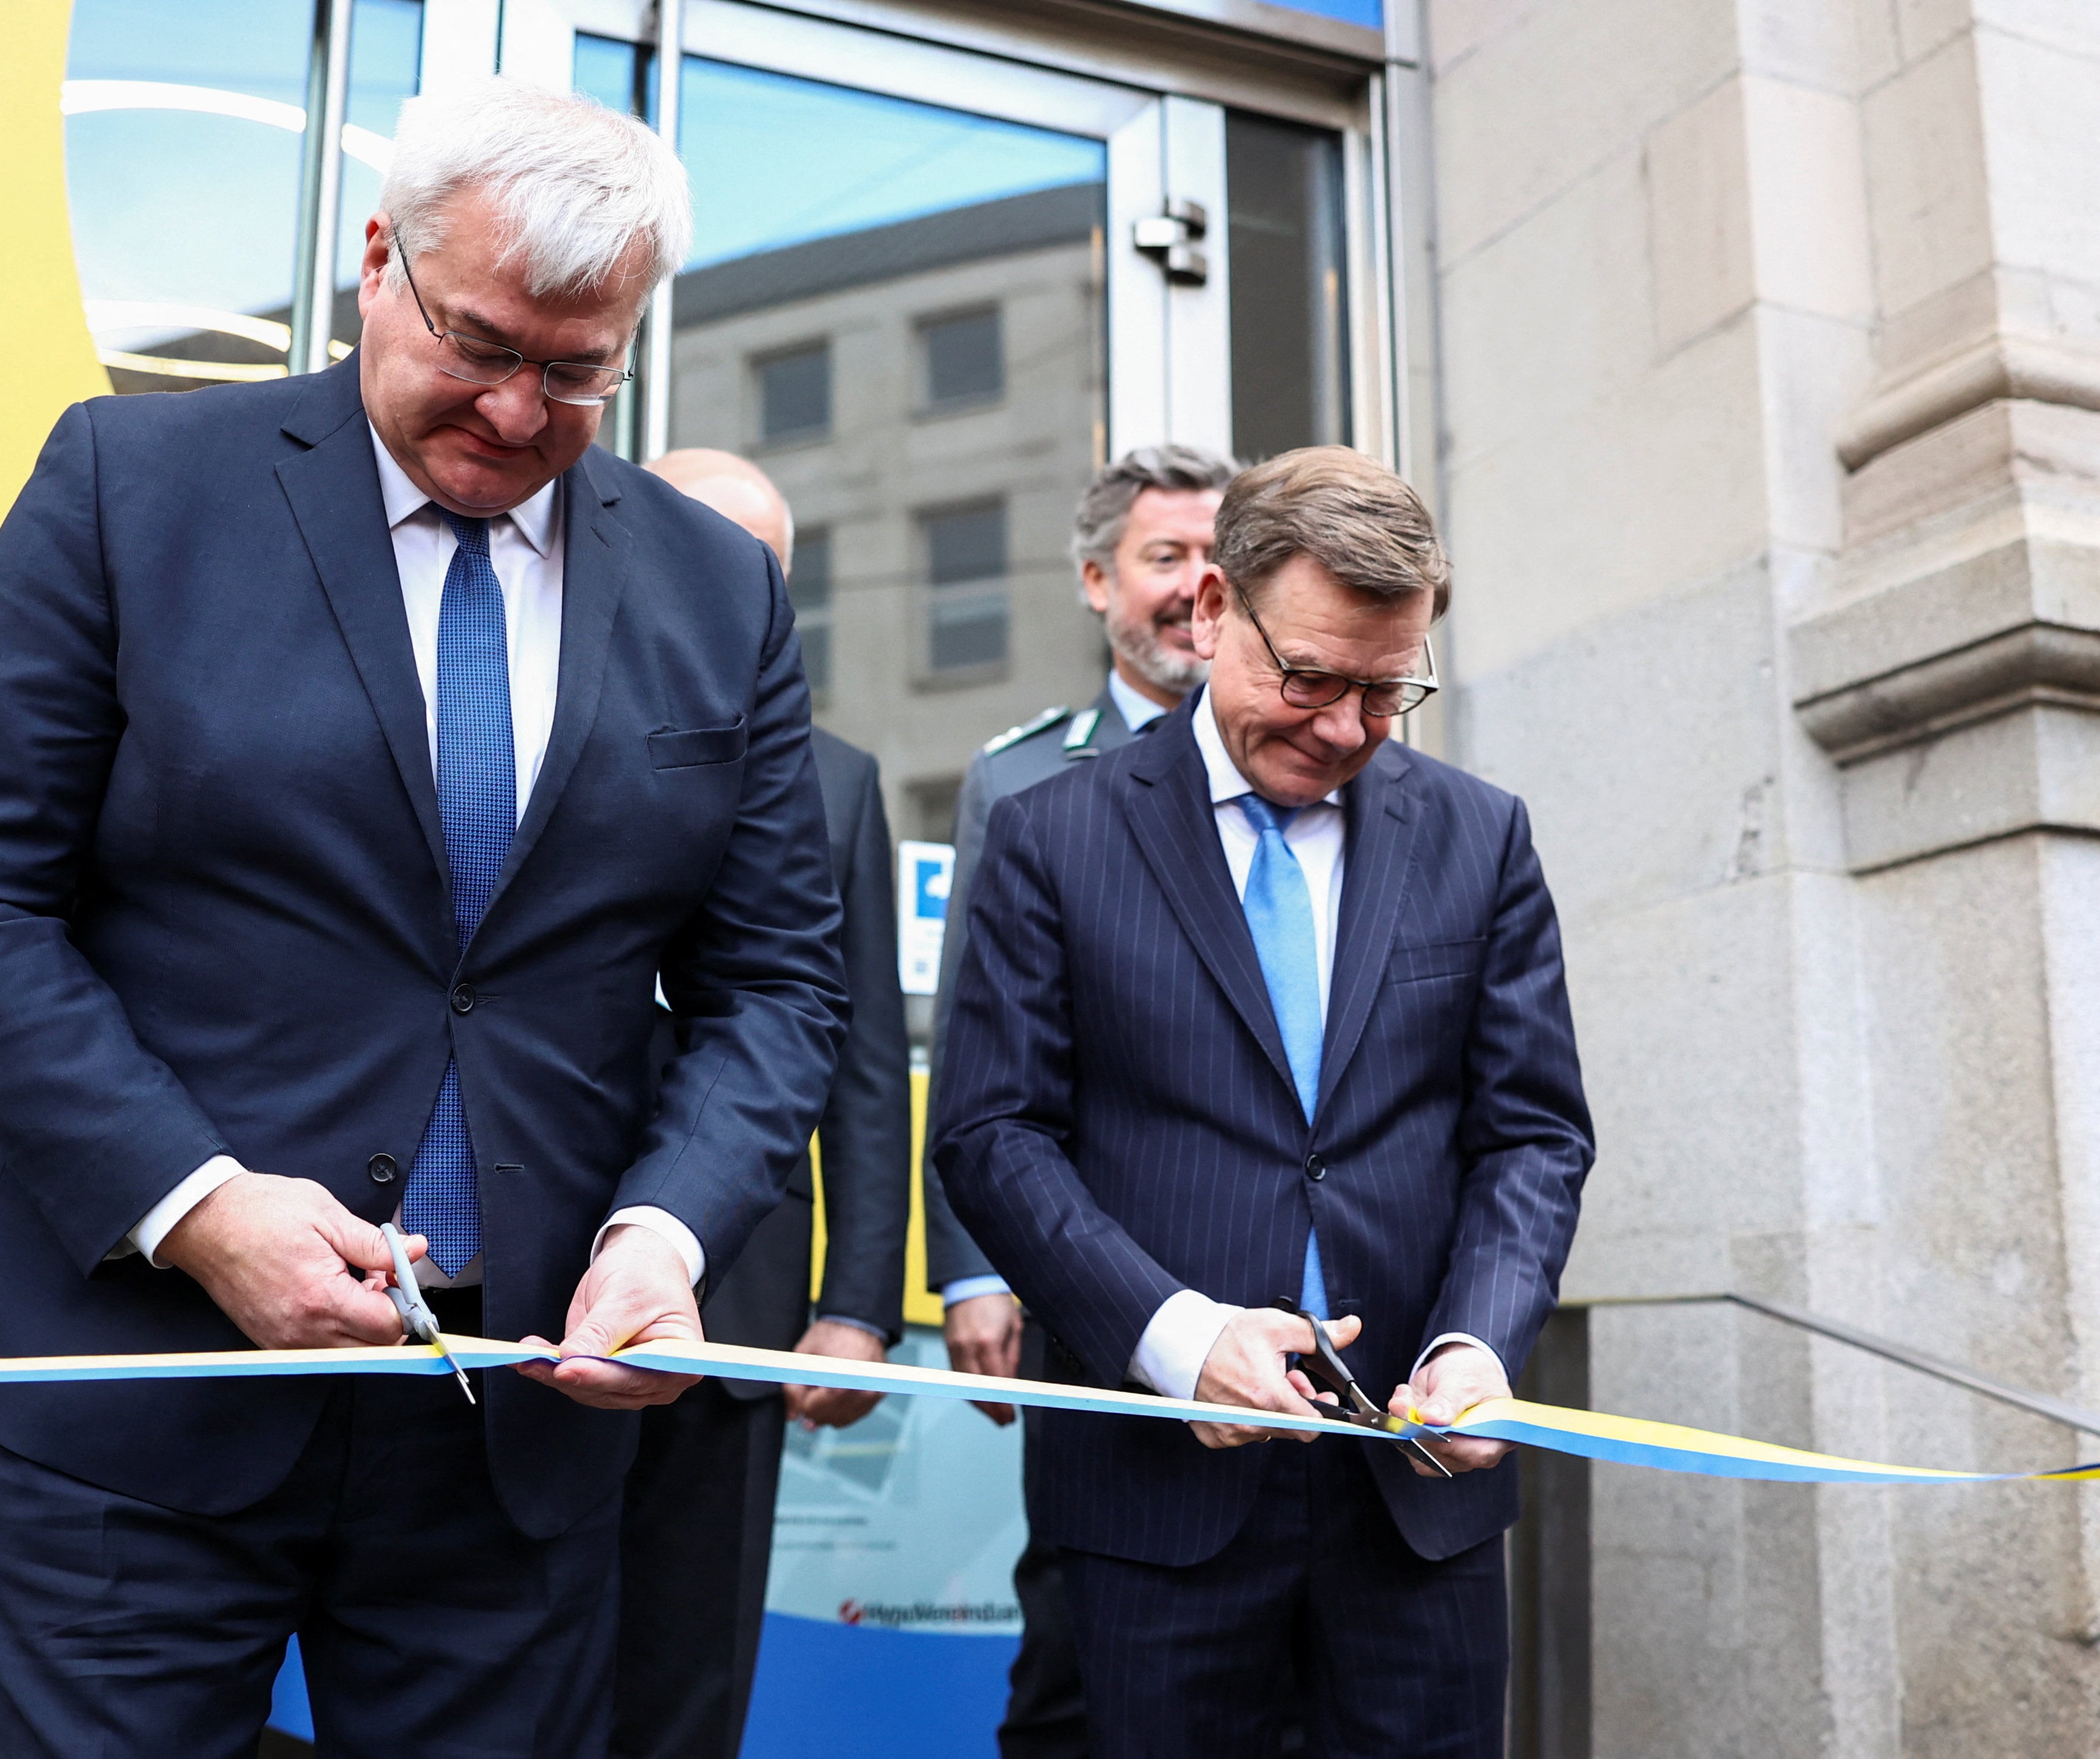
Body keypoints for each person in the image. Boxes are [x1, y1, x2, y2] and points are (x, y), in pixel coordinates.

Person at [0, 81, 846, 1757]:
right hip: (138, 1388)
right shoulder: (131, 482)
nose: (517, 404)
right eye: (478, 341)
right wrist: (195, 1200)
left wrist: (665, 1233)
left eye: (576, 367)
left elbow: (773, 985)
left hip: (516, 1429)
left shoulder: (718, 586)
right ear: (377, 263)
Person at [931, 446, 1593, 1758]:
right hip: (1156, 1494)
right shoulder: (1050, 835)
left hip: (1419, 1498)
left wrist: (1475, 1342)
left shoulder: (1481, 835)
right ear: (1218, 607)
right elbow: (992, 1135)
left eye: (1384, 689)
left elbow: (1530, 1133)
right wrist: (1173, 1336)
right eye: (1308, 679)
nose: (1343, 727)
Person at [922, 442, 1237, 1759]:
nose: (1195, 586)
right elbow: (976, 1043)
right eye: (1166, 557)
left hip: (1273, 1262)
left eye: (1219, 558)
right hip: (1086, 1267)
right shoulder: (1023, 777)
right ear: (1098, 580)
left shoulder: (1313, 749)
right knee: (1078, 1637)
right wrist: (976, 1272)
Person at [612, 449, 912, 1759]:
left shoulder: (835, 779)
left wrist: (855, 1305)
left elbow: (853, 1053)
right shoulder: (520, 715)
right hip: (506, 1275)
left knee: (688, 1676)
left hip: (734, 1305)